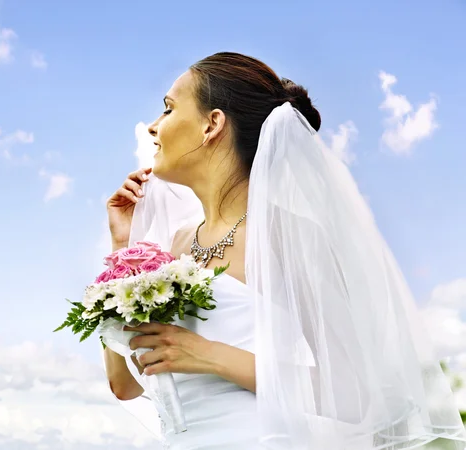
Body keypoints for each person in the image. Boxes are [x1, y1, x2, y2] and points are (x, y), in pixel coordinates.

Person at [103, 52, 466, 449]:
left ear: (212, 124)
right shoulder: (175, 246)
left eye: (169, 109)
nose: (154, 127)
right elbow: (124, 385)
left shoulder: (288, 236)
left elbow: (353, 393)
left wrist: (211, 355)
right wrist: (123, 247)